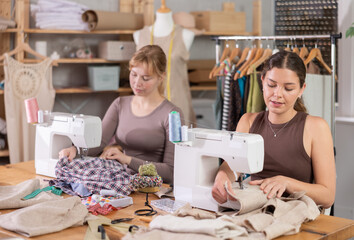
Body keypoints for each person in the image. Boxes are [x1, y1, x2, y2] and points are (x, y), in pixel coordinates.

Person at [212, 51, 336, 209]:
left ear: (301, 89)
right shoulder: (248, 122)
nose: (277, 94)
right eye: (271, 85)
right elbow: (231, 167)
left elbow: (328, 196)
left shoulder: (316, 127)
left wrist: (286, 182)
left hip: (296, 214)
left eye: (288, 88)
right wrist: (222, 176)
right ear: (262, 81)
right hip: (255, 210)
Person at [59, 45, 183, 184]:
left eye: (146, 78)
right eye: (134, 74)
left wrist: (127, 160)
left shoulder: (172, 115)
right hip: (124, 179)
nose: (137, 83)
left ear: (161, 77)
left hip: (154, 188)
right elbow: (99, 142)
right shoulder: (120, 104)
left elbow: (170, 172)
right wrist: (75, 150)